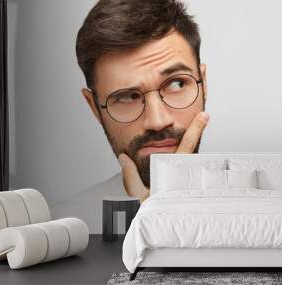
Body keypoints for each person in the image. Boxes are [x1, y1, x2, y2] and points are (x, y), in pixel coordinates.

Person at [51, 0, 209, 233]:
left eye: (176, 84)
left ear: (203, 84)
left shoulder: (254, 214)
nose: (157, 121)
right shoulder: (59, 229)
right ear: (95, 108)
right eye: (127, 96)